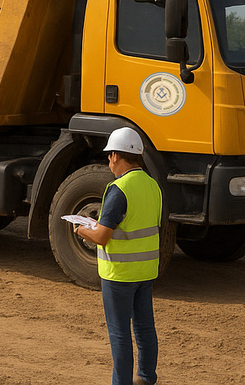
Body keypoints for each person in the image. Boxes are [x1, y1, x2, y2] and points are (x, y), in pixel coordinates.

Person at [74, 126, 163, 385]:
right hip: (146, 270)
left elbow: (102, 237)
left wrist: (82, 230)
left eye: (109, 156)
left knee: (119, 333)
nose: (109, 161)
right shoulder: (152, 185)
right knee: (145, 327)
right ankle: (146, 377)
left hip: (119, 274)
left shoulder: (118, 189)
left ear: (115, 155)